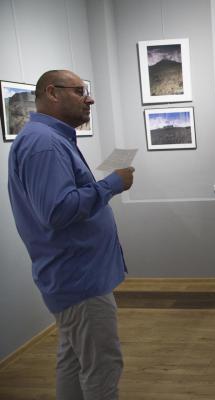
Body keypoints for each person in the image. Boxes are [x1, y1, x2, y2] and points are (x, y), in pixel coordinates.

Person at [7, 70, 134, 399]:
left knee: (74, 360)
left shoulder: (47, 140)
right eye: (80, 92)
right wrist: (112, 184)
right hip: (78, 280)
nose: (89, 98)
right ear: (52, 92)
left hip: (73, 276)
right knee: (102, 368)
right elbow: (57, 211)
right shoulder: (45, 145)